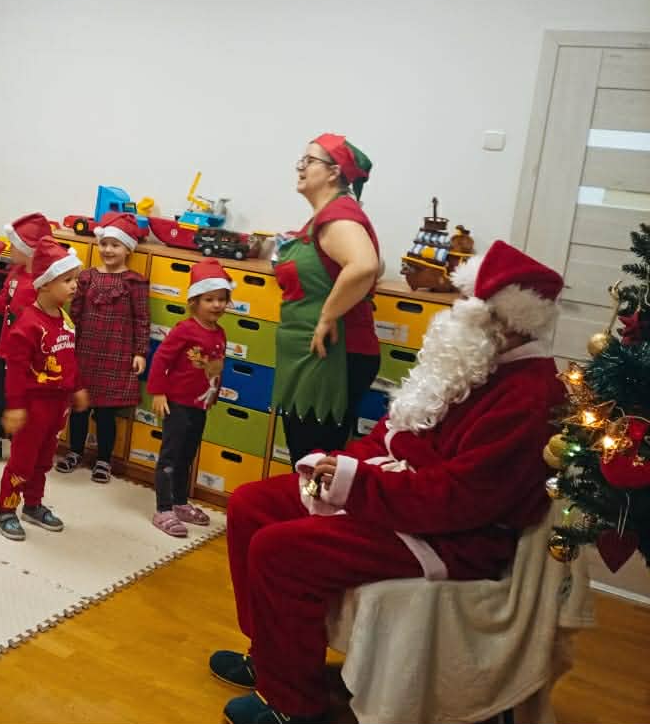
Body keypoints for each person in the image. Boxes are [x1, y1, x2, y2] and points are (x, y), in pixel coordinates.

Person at [210, 241, 565, 724]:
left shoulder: (528, 395)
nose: (456, 313)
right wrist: (338, 464)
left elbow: (460, 500)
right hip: (400, 496)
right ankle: (272, 657)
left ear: (507, 321)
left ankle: (293, 705)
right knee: (252, 504)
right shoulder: (472, 361)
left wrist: (356, 485)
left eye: (470, 305)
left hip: (453, 536)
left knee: (281, 551)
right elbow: (392, 433)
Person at [272, 133, 381, 466]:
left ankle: (312, 503)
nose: (300, 167)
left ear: (334, 172)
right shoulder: (325, 217)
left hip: (332, 355)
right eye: (301, 161)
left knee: (314, 460)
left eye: (309, 161)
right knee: (307, 454)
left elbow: (365, 265)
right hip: (312, 355)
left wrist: (327, 316)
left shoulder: (339, 215)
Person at [0, 238, 88, 541]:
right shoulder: (28, 324)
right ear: (45, 284)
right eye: (67, 280)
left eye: (75, 280)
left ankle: (33, 504)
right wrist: (15, 406)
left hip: (58, 406)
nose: (74, 286)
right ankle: (5, 510)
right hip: (32, 406)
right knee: (22, 461)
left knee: (44, 459)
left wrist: (77, 387)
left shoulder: (65, 320)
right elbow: (15, 371)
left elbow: (69, 358)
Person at [57, 211, 150, 484]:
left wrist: (140, 352)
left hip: (116, 356)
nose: (108, 250)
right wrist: (66, 345)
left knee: (107, 414)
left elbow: (142, 319)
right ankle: (75, 451)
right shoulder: (86, 277)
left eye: (115, 245)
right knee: (79, 408)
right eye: (104, 244)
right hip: (84, 352)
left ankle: (104, 459)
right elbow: (74, 314)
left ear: (128, 249)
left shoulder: (134, 282)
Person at [146, 259, 230, 537]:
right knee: (171, 456)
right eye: (209, 299)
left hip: (200, 405)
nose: (216, 305)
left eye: (221, 299)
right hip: (178, 404)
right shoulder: (185, 329)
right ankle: (163, 508)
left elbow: (216, 368)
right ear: (194, 301)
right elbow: (161, 359)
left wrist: (214, 395)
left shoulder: (220, 333)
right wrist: (158, 392)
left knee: (187, 456)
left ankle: (180, 502)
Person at [0, 212, 53, 467]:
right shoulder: (14, 273)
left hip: (27, 357)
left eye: (14, 245)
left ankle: (21, 448)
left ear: (29, 250)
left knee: (23, 402)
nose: (9, 249)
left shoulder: (43, 283)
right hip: (5, 350)